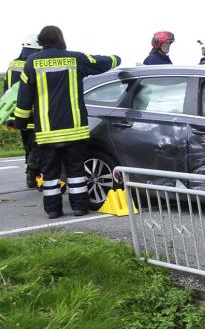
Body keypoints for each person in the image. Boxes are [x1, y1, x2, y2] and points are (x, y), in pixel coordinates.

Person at [13, 26, 120, 217]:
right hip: (74, 130)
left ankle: (53, 210)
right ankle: (79, 208)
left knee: (51, 176)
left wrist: (19, 123)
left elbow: (23, 99)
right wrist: (117, 59)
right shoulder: (74, 58)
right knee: (76, 172)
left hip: (47, 132)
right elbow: (102, 62)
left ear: (41, 41)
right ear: (60, 39)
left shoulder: (31, 63)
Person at [5, 34, 42, 189]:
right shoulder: (34, 64)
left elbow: (7, 90)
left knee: (29, 145)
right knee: (38, 145)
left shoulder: (12, 64)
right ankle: (33, 173)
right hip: (33, 113)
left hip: (17, 114)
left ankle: (31, 175)